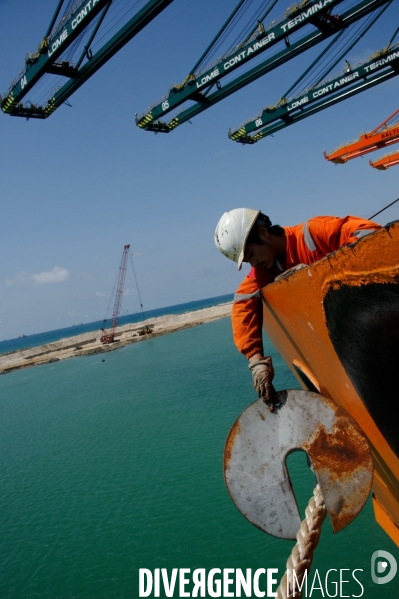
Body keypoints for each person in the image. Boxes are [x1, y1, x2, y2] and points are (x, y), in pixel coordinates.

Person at [214, 208, 380, 409]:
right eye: (248, 261)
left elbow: (371, 234)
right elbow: (243, 302)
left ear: (263, 233)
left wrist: (323, 272)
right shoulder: (265, 270)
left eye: (251, 255)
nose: (253, 263)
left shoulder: (313, 233)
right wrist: (256, 361)